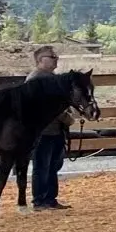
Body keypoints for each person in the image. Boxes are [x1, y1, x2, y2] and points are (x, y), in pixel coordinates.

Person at [26, 45, 71, 211]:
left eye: (55, 56)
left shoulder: (51, 78)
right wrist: (66, 117)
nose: (55, 59)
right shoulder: (36, 80)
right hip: (42, 131)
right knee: (42, 165)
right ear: (40, 60)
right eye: (51, 57)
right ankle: (40, 200)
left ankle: (50, 198)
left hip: (54, 129)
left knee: (53, 165)